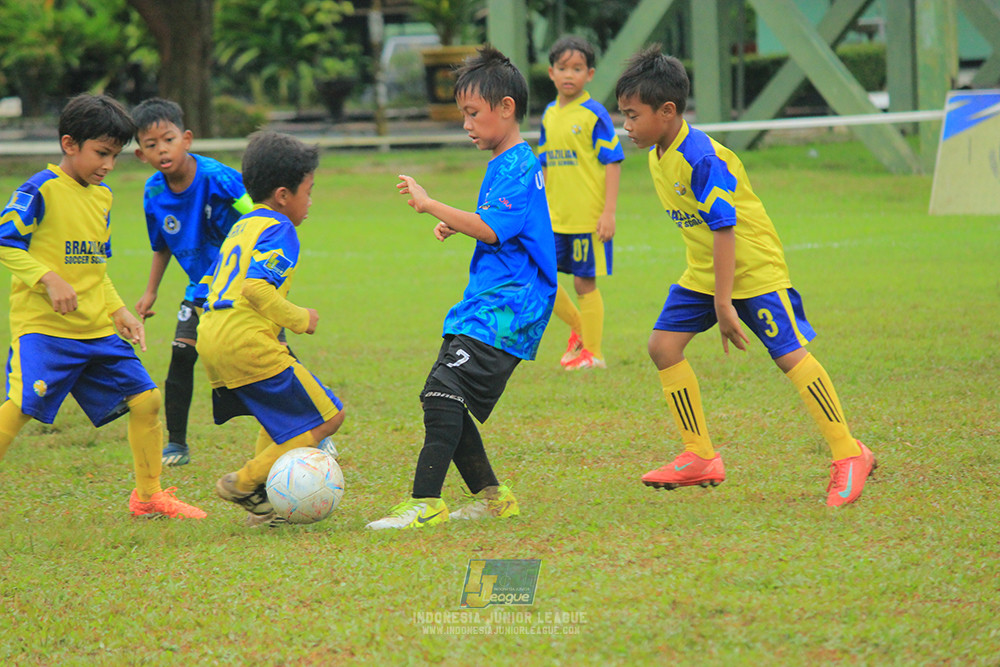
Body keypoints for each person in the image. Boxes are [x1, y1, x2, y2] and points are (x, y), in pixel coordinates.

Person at [614, 46, 875, 507]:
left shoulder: (701, 158)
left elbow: (725, 227)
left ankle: (849, 453)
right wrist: (713, 291)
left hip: (752, 270)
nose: (626, 126)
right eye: (624, 115)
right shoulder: (659, 152)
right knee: (662, 346)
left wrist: (723, 302)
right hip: (705, 271)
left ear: (667, 110)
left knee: (788, 355)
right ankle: (700, 455)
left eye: (633, 116)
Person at [366, 45, 557, 530]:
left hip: (509, 306)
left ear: (506, 108)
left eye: (473, 113)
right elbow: (492, 223)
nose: (466, 124)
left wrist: (433, 207)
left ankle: (425, 502)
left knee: (441, 391)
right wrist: (460, 224)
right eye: (463, 115)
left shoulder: (516, 164)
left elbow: (492, 229)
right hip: (493, 303)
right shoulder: (504, 161)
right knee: (448, 395)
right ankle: (494, 499)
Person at [0, 94, 206, 519]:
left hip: (95, 329)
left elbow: (95, 267)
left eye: (114, 155)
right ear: (69, 144)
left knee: (146, 399)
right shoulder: (39, 190)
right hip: (45, 329)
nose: (108, 165)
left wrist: (119, 311)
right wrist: (47, 277)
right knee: (21, 407)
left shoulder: (102, 197)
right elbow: (5, 241)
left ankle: (148, 497)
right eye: (101, 153)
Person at [196, 131, 345, 527]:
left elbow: (213, 283)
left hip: (213, 335)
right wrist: (298, 319)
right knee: (327, 418)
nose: (310, 201)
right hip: (244, 339)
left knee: (278, 418)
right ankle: (243, 483)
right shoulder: (281, 228)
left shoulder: (243, 226)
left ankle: (264, 501)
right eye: (308, 192)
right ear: (283, 195)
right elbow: (255, 286)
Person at [132, 98, 253, 468]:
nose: (161, 150)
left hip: (242, 286)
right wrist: (151, 291)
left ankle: (315, 427)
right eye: (151, 145)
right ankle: (176, 444)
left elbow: (261, 218)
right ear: (140, 154)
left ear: (186, 138)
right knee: (182, 355)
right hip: (200, 288)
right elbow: (161, 246)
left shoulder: (218, 177)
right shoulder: (154, 193)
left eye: (167, 139)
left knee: (267, 357)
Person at [539, 36, 624, 371]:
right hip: (554, 217)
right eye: (563, 68)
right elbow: (544, 163)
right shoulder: (548, 114)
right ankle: (579, 328)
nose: (569, 75)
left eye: (577, 69)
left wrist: (608, 212)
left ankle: (594, 353)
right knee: (541, 277)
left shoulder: (594, 114)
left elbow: (613, 161)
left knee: (583, 282)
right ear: (551, 72)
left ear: (589, 74)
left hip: (587, 217)